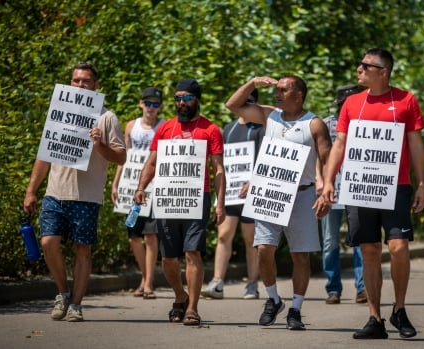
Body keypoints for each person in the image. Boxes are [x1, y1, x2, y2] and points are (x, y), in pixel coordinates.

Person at [317, 48, 424, 339]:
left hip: (397, 186)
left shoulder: (406, 100)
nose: (359, 68)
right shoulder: (352, 104)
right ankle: (375, 318)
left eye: (366, 65)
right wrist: (329, 181)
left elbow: (415, 143)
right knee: (369, 250)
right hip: (358, 188)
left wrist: (422, 183)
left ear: (384, 72)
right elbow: (339, 145)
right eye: (360, 64)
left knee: (399, 246)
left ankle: (399, 310)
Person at [226, 75, 332, 330]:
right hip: (268, 191)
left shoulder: (314, 124)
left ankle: (295, 308)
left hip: (303, 194)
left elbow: (328, 159)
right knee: (263, 248)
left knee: (301, 257)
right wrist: (252, 83)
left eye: (284, 90)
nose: (278, 94)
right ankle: (273, 300)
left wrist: (326, 190)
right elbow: (233, 105)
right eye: (277, 90)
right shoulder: (270, 116)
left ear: (299, 94)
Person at [23, 63, 127, 322]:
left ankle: (77, 305)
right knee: (48, 242)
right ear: (70, 84)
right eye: (76, 81)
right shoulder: (58, 114)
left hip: (86, 196)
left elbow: (121, 157)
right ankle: (63, 293)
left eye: (86, 81)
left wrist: (99, 144)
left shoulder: (106, 117)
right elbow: (44, 156)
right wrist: (31, 191)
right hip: (55, 192)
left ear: (96, 85)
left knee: (83, 249)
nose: (80, 85)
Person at [132, 78, 225, 326]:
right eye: (177, 98)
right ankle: (180, 296)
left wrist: (220, 203)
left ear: (196, 99)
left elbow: (218, 169)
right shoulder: (165, 129)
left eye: (186, 98)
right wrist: (141, 187)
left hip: (197, 198)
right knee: (169, 257)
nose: (181, 103)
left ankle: (193, 308)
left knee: (192, 252)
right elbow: (152, 163)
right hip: (167, 198)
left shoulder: (210, 130)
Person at [202, 89, 263, 300]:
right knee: (223, 235)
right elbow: (220, 162)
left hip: (252, 193)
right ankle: (217, 281)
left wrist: (255, 180)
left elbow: (267, 157)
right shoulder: (228, 129)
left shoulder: (261, 128)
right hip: (230, 193)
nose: (246, 107)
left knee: (250, 239)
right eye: (243, 103)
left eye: (251, 103)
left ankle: (253, 284)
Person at [111, 87, 165, 300]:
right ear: (141, 104)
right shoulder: (131, 126)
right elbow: (124, 157)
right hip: (131, 186)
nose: (151, 107)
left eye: (156, 104)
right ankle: (145, 276)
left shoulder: (164, 126)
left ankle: (149, 283)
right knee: (134, 236)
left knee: (151, 236)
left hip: (154, 187)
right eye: (148, 103)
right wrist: (115, 184)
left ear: (160, 106)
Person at [316, 84, 366, 305]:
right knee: (330, 242)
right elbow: (317, 156)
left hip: (359, 190)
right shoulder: (326, 124)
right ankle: (333, 288)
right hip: (331, 189)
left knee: (361, 241)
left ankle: (363, 288)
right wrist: (320, 181)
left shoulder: (367, 124)